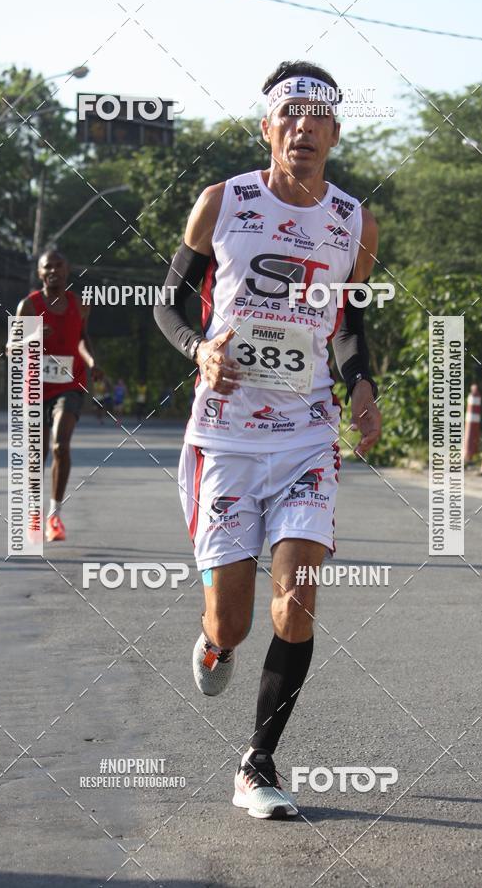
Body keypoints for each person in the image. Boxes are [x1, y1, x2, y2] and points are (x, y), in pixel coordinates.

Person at [154, 60, 381, 819]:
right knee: (235, 622)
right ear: (268, 128)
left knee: (298, 601)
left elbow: (348, 322)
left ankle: (258, 762)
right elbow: (167, 304)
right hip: (225, 435)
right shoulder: (222, 202)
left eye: (320, 117)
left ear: (336, 133)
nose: (304, 128)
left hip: (307, 433)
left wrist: (363, 385)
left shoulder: (355, 220)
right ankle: (214, 643)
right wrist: (200, 350)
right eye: (291, 115)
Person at [16, 249, 97, 542]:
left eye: (58, 266)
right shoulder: (29, 305)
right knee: (37, 453)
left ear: (67, 270)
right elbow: (10, 348)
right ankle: (35, 514)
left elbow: (82, 339)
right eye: (47, 267)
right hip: (36, 387)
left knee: (60, 445)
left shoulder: (80, 304)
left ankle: (54, 515)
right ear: (40, 273)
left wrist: (92, 362)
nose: (53, 271)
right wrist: (31, 337)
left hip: (70, 384)